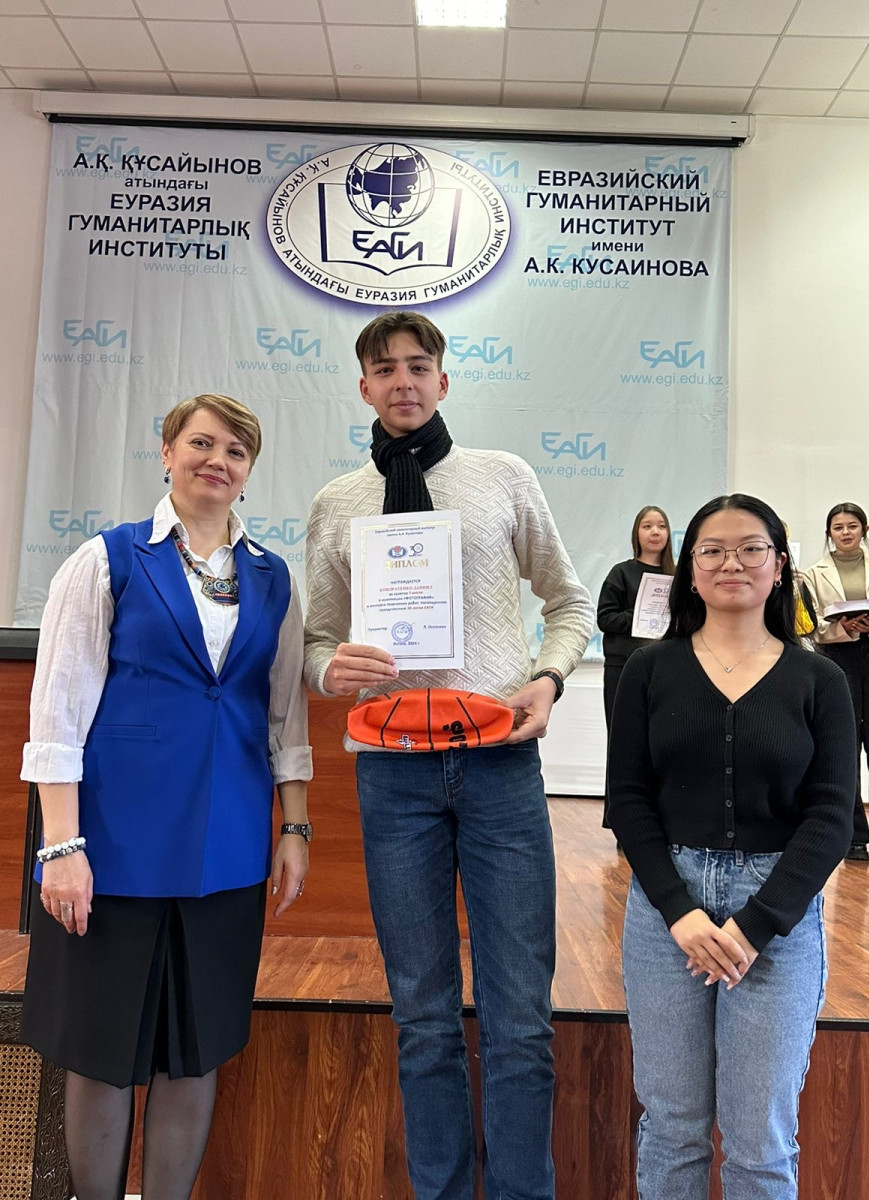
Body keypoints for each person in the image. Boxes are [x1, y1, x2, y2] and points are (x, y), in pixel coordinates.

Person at [303, 311, 593, 1200]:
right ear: (364, 387)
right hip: (393, 775)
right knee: (423, 1020)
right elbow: (316, 642)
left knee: (522, 1020)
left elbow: (570, 603)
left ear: (443, 379)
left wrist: (548, 678)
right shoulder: (337, 503)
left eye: (418, 366)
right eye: (386, 369)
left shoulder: (502, 477)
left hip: (500, 764)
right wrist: (329, 669)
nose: (404, 381)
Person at [21, 394, 312, 1200]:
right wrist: (61, 846)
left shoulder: (273, 576)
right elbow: (57, 714)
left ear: (249, 471)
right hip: (114, 849)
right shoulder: (106, 560)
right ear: (166, 452)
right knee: (102, 1050)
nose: (218, 461)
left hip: (227, 850)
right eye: (201, 443)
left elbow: (284, 713)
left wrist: (295, 826)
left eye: (236, 451)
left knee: (197, 1051)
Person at [607, 493, 855, 1200]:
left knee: (760, 1142)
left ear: (779, 565)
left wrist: (756, 924)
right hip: (668, 916)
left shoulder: (820, 680)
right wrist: (679, 910)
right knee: (672, 1127)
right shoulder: (650, 670)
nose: (732, 563)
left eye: (751, 548)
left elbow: (832, 816)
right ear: (689, 569)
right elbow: (627, 799)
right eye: (712, 550)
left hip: (776, 916)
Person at [803, 502, 869, 861]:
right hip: (836, 657)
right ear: (829, 533)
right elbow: (811, 623)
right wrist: (842, 627)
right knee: (843, 745)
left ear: (864, 529)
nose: (845, 532)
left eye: (852, 526)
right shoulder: (813, 574)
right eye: (838, 527)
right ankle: (853, 837)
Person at [596, 505, 675, 821]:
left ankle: (659, 818)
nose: (655, 532)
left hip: (668, 668)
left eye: (661, 526)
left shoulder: (679, 576)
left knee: (663, 744)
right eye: (647, 526)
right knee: (623, 743)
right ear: (636, 533)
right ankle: (621, 819)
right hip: (623, 667)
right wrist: (641, 617)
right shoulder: (621, 573)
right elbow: (605, 618)